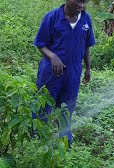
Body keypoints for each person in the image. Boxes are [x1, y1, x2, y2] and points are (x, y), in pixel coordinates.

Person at [33, 0, 95, 146]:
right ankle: (37, 140)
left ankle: (64, 142)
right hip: (51, 73)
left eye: (84, 2)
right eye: (79, 1)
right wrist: (53, 56)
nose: (82, 5)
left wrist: (87, 68)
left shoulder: (85, 19)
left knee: (67, 108)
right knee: (43, 107)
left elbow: (86, 45)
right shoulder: (52, 17)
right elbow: (40, 44)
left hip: (73, 73)